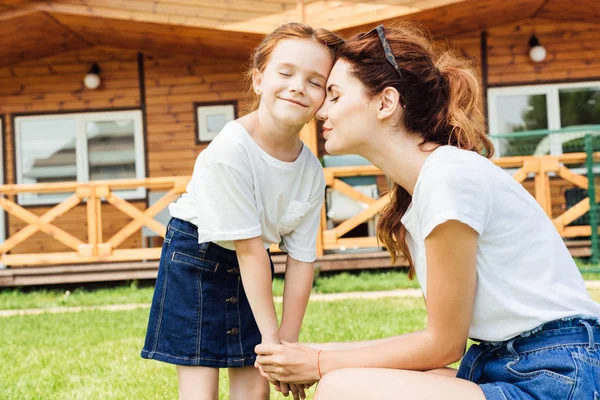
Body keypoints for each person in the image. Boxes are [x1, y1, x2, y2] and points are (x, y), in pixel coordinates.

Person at [255, 23, 600, 400]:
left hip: (556, 373)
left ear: (385, 103)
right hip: (507, 363)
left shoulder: (448, 177)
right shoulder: (425, 189)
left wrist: (321, 363)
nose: (320, 109)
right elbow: (437, 345)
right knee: (354, 375)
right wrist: (309, 355)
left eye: (334, 96)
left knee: (342, 387)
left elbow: (444, 344)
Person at [141, 22, 344, 400]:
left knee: (255, 391)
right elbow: (249, 250)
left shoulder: (311, 171)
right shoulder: (231, 150)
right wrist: (271, 342)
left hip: (253, 268)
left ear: (324, 99)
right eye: (285, 72)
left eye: (315, 81)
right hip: (195, 259)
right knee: (201, 392)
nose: (298, 85)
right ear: (258, 80)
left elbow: (300, 260)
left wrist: (287, 343)